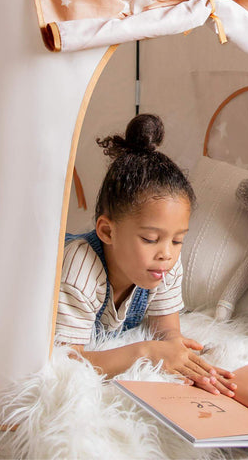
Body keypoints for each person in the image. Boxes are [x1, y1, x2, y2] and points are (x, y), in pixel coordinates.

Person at [56, 113, 236, 396]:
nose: (166, 253)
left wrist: (177, 354)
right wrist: (146, 352)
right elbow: (64, 361)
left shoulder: (164, 266)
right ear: (107, 231)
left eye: (178, 240)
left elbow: (167, 332)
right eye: (150, 239)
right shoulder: (80, 271)